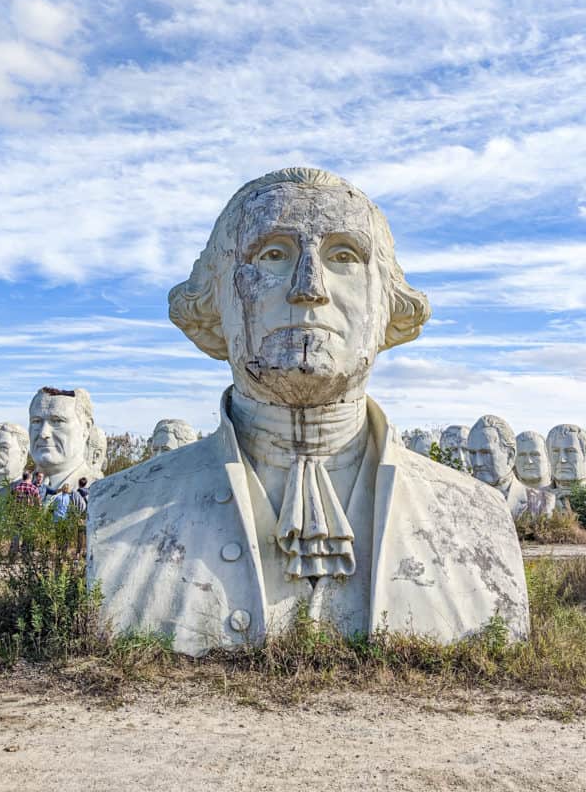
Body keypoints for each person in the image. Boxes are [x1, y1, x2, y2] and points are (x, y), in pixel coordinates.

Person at [89, 167, 530, 656]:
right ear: (214, 302)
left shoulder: (477, 517)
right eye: (273, 255)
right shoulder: (118, 508)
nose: (309, 287)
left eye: (343, 257)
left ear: (388, 303)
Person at [71, 477, 89, 558]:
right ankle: (86, 551)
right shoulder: (89, 492)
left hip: (81, 515)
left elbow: (75, 504)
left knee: (80, 534)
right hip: (89, 514)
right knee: (87, 533)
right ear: (86, 483)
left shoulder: (77, 492)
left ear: (79, 483)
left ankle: (78, 553)